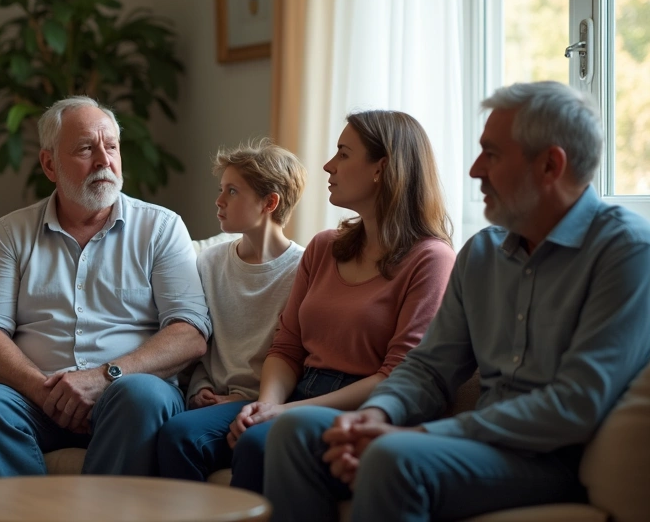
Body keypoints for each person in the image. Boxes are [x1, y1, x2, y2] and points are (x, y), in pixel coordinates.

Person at [265, 82, 650, 522]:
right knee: (293, 431)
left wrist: (423, 434)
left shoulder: (625, 250)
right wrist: (374, 414)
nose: (473, 170)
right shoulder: (483, 252)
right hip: (472, 443)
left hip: (551, 458)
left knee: (393, 458)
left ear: (549, 165)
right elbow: (429, 368)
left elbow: (575, 404)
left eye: (492, 154)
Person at [0, 95, 213, 478]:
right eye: (87, 148)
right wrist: (44, 391)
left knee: (141, 396)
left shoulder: (161, 227)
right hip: (36, 401)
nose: (104, 160)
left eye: (112, 147)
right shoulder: (12, 232)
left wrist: (104, 377)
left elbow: (189, 333)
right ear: (49, 164)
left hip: (128, 396)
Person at [223, 110, 455, 493]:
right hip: (296, 391)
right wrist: (266, 406)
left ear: (381, 168)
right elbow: (286, 346)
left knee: (256, 443)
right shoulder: (325, 246)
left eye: (344, 154)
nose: (329, 166)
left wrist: (281, 413)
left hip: (363, 408)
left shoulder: (431, 259)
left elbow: (397, 375)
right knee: (183, 434)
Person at [155, 139, 308, 481]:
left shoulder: (302, 269)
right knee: (171, 431)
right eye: (221, 189)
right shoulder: (208, 262)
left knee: (180, 436)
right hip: (213, 400)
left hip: (263, 403)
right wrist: (200, 389)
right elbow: (201, 343)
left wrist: (248, 400)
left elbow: (299, 353)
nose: (219, 201)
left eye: (233, 191)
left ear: (270, 202)